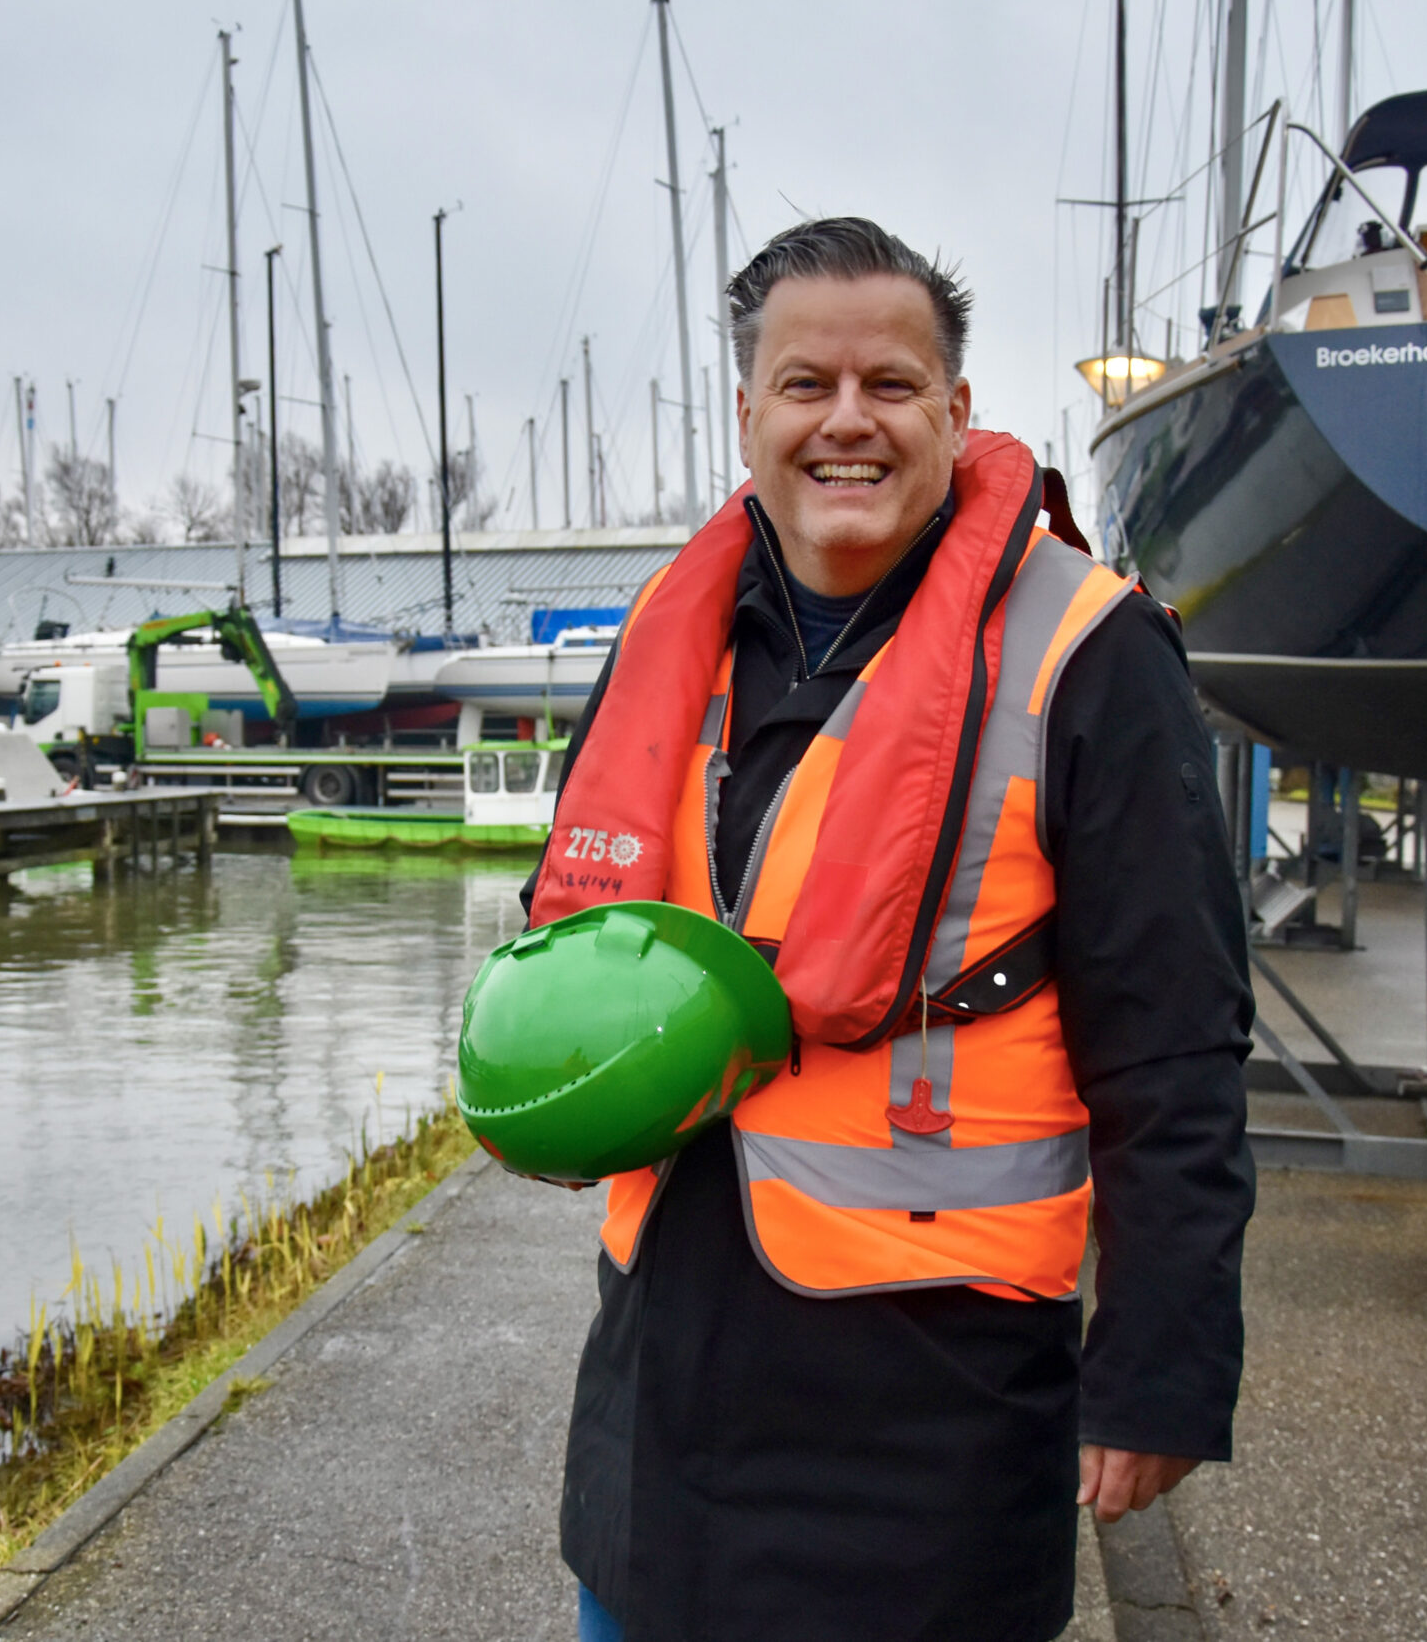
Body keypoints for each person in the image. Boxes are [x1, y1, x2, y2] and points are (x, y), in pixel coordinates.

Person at [523, 217, 1255, 1642]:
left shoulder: (1092, 651)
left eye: (890, 384)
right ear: (747, 414)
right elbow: (573, 928)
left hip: (940, 1399)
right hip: (667, 1376)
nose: (845, 420)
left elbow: (1174, 1042)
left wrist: (1162, 1366)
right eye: (805, 385)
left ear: (957, 410)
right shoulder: (665, 639)